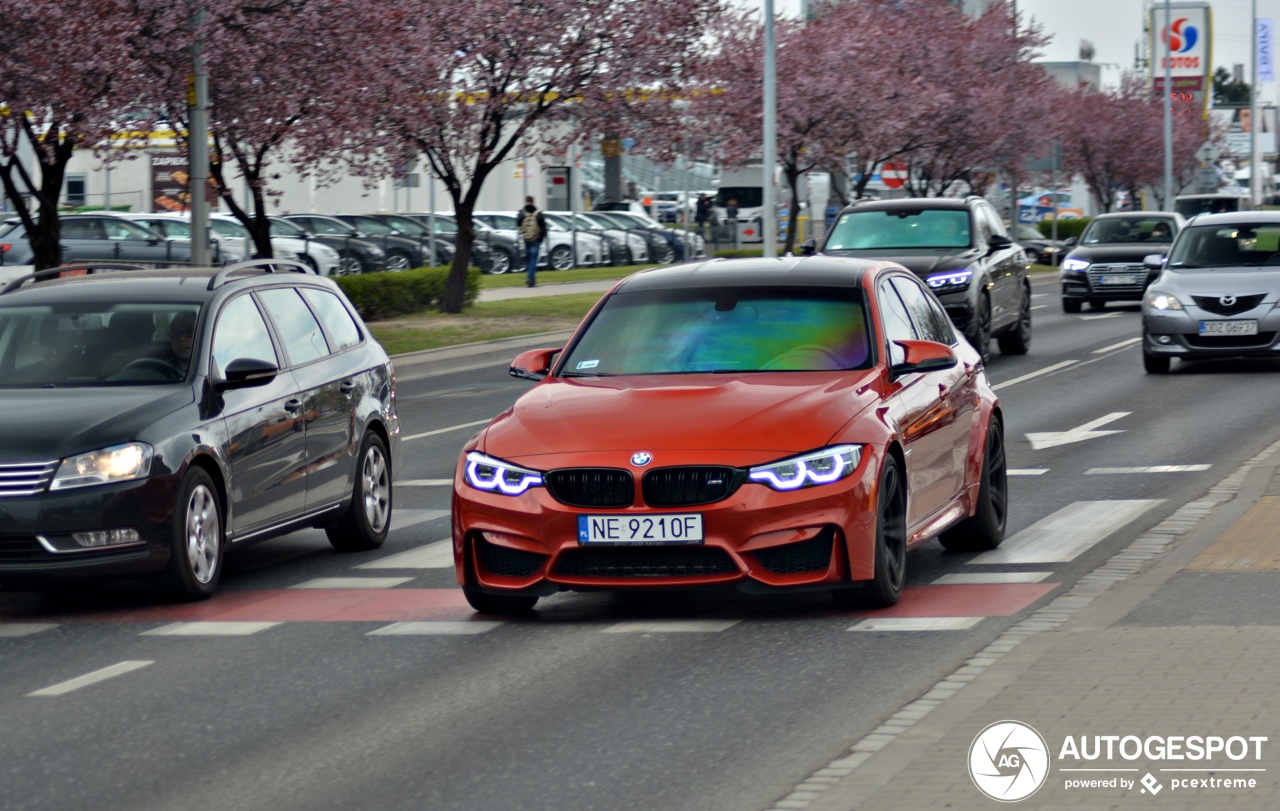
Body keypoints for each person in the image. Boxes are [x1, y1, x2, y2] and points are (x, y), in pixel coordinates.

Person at [516, 196, 547, 287]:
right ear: (533, 202)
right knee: (533, 259)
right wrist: (541, 238)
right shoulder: (538, 213)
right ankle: (530, 278)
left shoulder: (522, 212)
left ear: (525, 201)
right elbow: (543, 226)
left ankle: (532, 280)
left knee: (529, 259)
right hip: (536, 239)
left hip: (526, 238)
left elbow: (518, 223)